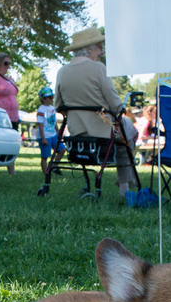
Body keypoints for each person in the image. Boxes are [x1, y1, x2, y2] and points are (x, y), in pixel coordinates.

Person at [54, 27, 135, 197]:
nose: (102, 50)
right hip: (102, 131)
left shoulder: (62, 72)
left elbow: (58, 105)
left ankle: (123, 182)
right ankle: (125, 185)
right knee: (129, 131)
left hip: (76, 132)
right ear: (89, 48)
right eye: (99, 46)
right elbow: (116, 105)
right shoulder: (99, 68)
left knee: (124, 132)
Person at [35, 86, 65, 175]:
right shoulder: (41, 110)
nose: (52, 99)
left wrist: (58, 132)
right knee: (45, 156)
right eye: (50, 97)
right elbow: (40, 125)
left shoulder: (52, 108)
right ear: (43, 99)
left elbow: (54, 121)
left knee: (62, 150)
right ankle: (46, 174)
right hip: (45, 136)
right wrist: (43, 138)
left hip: (53, 135)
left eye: (52, 97)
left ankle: (54, 165)